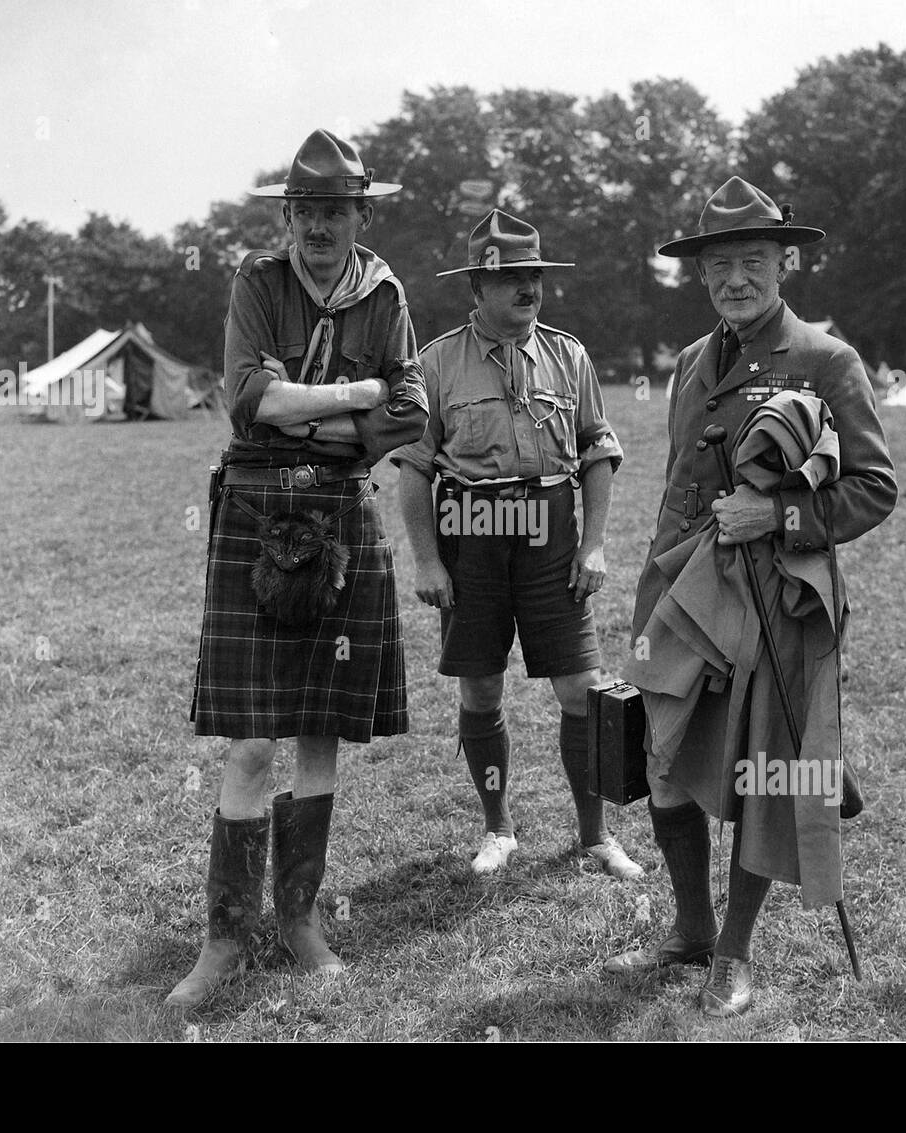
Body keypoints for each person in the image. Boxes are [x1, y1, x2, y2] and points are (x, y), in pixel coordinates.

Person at [603, 176, 897, 1016]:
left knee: (761, 775)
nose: (736, 278)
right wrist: (651, 588)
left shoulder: (825, 359)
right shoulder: (693, 363)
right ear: (702, 274)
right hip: (684, 596)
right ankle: (690, 930)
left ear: (786, 262)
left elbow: (874, 489)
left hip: (777, 602)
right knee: (664, 761)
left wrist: (777, 509)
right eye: (720, 264)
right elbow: (676, 489)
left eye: (753, 261)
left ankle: (734, 955)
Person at [168, 130, 428, 1008]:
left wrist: (319, 418)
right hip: (256, 505)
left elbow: (412, 415)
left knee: (320, 727)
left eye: (336, 210)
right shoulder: (257, 281)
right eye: (306, 210)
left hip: (342, 511)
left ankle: (300, 918)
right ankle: (225, 937)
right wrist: (355, 398)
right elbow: (253, 398)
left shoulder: (384, 292)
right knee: (251, 737)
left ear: (362, 213)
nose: (320, 226)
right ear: (288, 214)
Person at [393, 209, 641, 881]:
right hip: (471, 536)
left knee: (581, 687)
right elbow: (414, 468)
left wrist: (593, 545)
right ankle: (498, 827)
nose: (528, 288)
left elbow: (597, 451)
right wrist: (425, 559)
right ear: (477, 288)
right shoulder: (437, 362)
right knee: (480, 687)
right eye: (510, 278)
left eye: (534, 274)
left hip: (551, 536)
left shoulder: (570, 355)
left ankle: (594, 835)